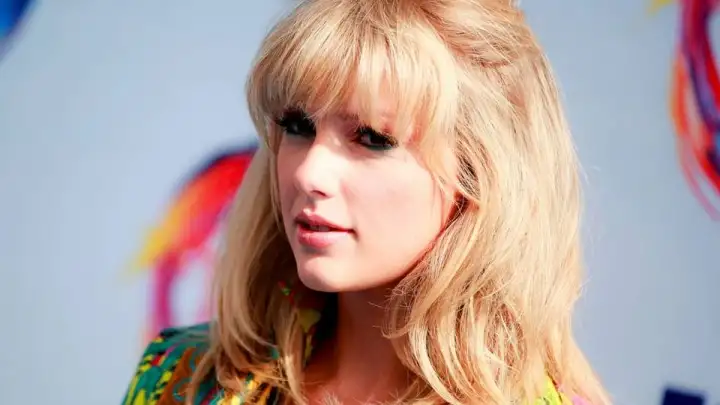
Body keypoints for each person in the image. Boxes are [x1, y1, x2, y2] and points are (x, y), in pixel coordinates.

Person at [122, 0, 611, 404]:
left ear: (480, 172)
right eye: (297, 126)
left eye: (372, 138)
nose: (309, 172)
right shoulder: (181, 379)